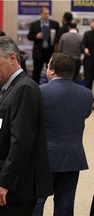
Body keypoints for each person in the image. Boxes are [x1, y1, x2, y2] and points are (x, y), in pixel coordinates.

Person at [0, 36, 53, 216]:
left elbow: (22, 142)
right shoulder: (11, 87)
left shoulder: (24, 89)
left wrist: (4, 183)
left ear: (12, 58)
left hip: (13, 190)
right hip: (3, 186)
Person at [32, 53, 93, 216]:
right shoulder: (87, 94)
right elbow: (84, 115)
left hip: (45, 156)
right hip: (73, 156)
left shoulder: (39, 91)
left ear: (52, 70)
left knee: (37, 202)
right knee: (66, 203)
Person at [27, 7, 59, 84]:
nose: (46, 15)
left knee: (52, 72)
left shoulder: (54, 24)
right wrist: (36, 36)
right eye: (45, 13)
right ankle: (35, 90)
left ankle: (52, 88)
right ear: (41, 14)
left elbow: (58, 36)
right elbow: (29, 36)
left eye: (48, 13)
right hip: (38, 52)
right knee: (36, 73)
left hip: (50, 52)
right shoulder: (34, 24)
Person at [81, 21, 94, 90]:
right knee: (88, 83)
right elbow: (82, 44)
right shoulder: (87, 34)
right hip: (89, 62)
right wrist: (85, 49)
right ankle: (88, 98)